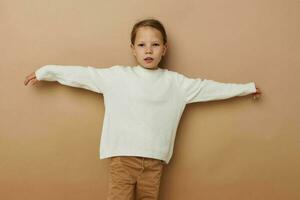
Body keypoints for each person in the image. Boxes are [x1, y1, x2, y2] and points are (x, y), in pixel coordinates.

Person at [24, 18, 262, 200]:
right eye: (142, 44)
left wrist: (247, 88)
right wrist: (46, 72)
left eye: (155, 45)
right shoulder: (117, 76)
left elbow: (209, 88)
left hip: (154, 161)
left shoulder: (176, 83)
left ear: (164, 49)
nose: (148, 50)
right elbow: (82, 74)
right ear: (133, 49)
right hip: (122, 159)